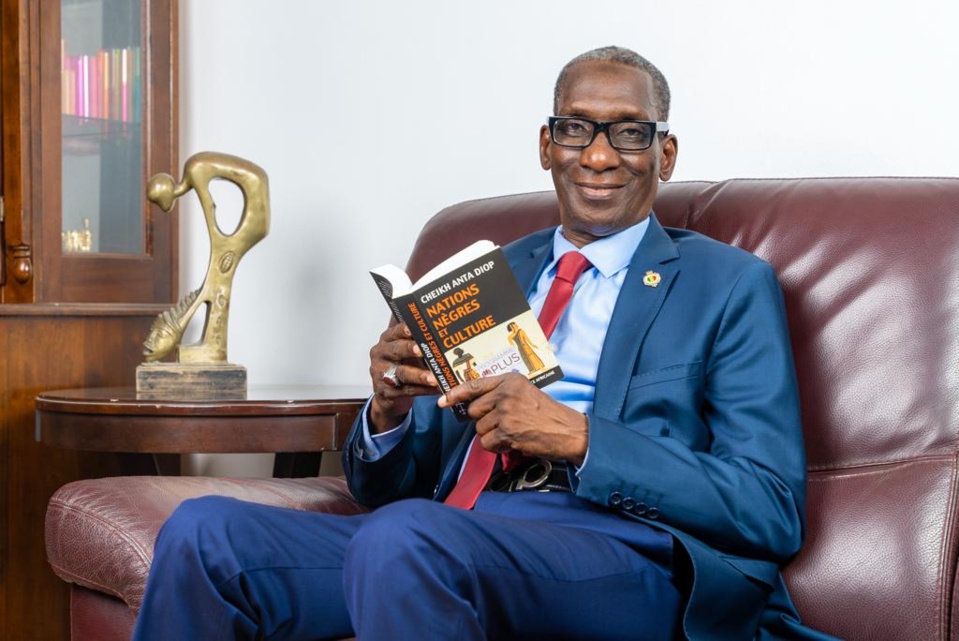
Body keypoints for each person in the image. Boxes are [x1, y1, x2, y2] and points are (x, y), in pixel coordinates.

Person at [131, 46, 836, 640]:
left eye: (627, 132)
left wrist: (580, 437)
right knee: (203, 533)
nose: (596, 154)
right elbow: (384, 490)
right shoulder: (488, 272)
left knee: (404, 537)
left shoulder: (726, 284)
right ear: (544, 145)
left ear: (664, 153)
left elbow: (767, 506)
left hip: (625, 554)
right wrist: (388, 412)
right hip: (451, 532)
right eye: (574, 129)